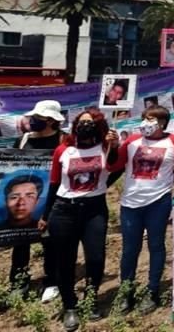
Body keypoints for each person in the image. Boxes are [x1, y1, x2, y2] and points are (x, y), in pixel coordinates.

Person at [41, 109, 121, 331]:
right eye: (81, 122)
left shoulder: (106, 148)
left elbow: (116, 166)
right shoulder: (62, 151)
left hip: (94, 210)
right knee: (65, 260)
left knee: (95, 257)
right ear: (75, 126)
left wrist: (114, 147)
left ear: (99, 126)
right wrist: (45, 215)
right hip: (64, 210)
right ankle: (70, 306)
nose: (85, 126)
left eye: (90, 122)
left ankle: (91, 297)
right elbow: (55, 183)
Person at [116, 107, 174, 314]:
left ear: (162, 123)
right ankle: (126, 291)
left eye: (151, 119)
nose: (146, 122)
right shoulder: (132, 142)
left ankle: (152, 290)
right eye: (144, 118)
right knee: (130, 249)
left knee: (156, 245)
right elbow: (115, 165)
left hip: (158, 202)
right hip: (130, 203)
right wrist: (111, 146)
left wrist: (169, 183)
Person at [10, 100, 63, 302]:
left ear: (50, 120)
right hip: (25, 199)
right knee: (21, 241)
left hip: (52, 199)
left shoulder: (62, 140)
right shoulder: (23, 140)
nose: (32, 121)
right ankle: (18, 282)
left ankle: (51, 282)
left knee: (50, 242)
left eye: (37, 118)